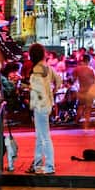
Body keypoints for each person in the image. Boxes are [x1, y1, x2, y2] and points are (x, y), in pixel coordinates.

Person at [26, 43, 60, 175]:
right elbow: (58, 80)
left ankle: (50, 165)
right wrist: (52, 93)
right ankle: (37, 164)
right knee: (40, 136)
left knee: (44, 136)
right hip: (47, 105)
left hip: (40, 106)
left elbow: (37, 89)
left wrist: (29, 88)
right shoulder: (48, 68)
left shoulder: (36, 72)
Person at [73, 53, 95, 128]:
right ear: (89, 61)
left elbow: (74, 79)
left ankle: (76, 122)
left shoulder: (77, 69)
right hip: (89, 91)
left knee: (80, 107)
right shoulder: (91, 69)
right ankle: (86, 124)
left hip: (81, 90)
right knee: (88, 108)